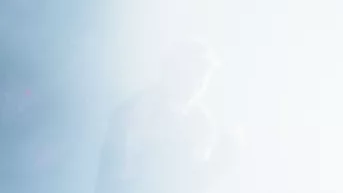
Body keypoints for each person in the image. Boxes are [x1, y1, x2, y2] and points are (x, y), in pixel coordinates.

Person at [95, 41, 238, 193]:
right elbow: (118, 176)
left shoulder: (201, 121)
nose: (198, 83)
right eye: (192, 72)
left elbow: (194, 180)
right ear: (171, 71)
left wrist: (222, 160)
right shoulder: (137, 111)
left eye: (203, 75)